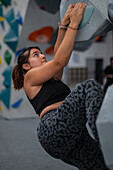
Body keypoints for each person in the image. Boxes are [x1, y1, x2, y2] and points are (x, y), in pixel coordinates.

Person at [12, 3, 109, 170]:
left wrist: (63, 24)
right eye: (36, 55)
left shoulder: (52, 77)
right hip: (53, 129)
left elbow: (58, 54)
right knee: (89, 86)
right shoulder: (30, 77)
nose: (42, 55)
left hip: (69, 134)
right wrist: (74, 24)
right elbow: (60, 61)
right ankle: (105, 138)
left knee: (100, 163)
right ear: (26, 66)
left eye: (41, 52)